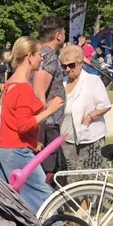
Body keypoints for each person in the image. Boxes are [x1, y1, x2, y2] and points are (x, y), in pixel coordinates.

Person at [0, 37, 63, 213]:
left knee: (15, 202)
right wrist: (50, 110)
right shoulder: (23, 88)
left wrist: (33, 141)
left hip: (4, 148)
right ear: (29, 56)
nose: (42, 58)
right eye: (39, 54)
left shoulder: (10, 83)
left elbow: (11, 119)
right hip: (16, 150)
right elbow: (23, 125)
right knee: (45, 199)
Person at [55, 44, 112, 185]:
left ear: (81, 62)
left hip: (91, 137)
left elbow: (104, 106)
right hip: (67, 139)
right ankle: (78, 206)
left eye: (71, 65)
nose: (68, 69)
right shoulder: (61, 84)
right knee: (71, 176)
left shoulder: (93, 81)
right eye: (64, 66)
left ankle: (90, 206)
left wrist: (88, 118)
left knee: (91, 177)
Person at [34, 14, 67, 183]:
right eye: (64, 32)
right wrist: (39, 136)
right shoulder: (48, 56)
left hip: (46, 124)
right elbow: (39, 93)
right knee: (50, 175)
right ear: (58, 35)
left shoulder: (37, 52)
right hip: (47, 125)